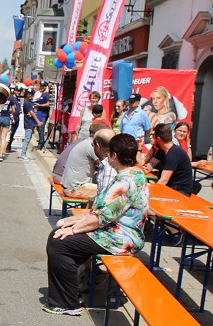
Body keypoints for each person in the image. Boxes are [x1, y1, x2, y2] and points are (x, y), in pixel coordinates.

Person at [44, 134, 148, 315]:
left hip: (120, 238)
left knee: (59, 242)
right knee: (60, 235)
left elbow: (102, 217)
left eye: (109, 154)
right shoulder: (136, 174)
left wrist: (74, 229)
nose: (108, 158)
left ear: (114, 156)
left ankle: (68, 303)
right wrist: (73, 225)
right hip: (118, 233)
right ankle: (73, 289)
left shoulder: (125, 181)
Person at [62, 127, 113, 200]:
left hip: (69, 185)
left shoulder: (108, 164)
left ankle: (87, 210)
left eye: (93, 145)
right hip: (74, 188)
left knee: (98, 189)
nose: (92, 146)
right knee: (97, 189)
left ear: (98, 146)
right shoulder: (109, 162)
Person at [151, 123, 197, 196]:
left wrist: (150, 190)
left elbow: (163, 181)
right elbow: (150, 166)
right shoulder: (161, 151)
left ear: (158, 139)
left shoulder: (174, 153)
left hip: (180, 192)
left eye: (153, 137)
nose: (151, 138)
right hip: (169, 188)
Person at [19, 88, 41, 160]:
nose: (30, 95)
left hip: (31, 123)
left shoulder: (31, 103)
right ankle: (23, 154)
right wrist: (38, 121)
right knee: (27, 139)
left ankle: (24, 153)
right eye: (29, 94)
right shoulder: (27, 103)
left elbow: (33, 111)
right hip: (28, 123)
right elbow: (31, 112)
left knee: (29, 138)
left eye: (31, 94)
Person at [33, 84, 52, 149]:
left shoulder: (47, 94)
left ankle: (41, 143)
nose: (41, 87)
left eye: (43, 86)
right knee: (39, 128)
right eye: (41, 86)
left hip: (44, 113)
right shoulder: (41, 94)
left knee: (41, 128)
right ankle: (41, 141)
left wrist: (40, 105)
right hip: (39, 113)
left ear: (45, 87)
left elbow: (48, 104)